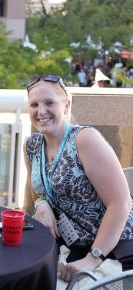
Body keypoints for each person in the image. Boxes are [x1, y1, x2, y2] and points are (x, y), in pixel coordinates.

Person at [24, 74, 133, 282]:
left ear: (67, 105)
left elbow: (121, 203)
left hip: (114, 249)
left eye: (49, 103)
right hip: (71, 246)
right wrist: (41, 205)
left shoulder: (84, 139)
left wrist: (92, 259)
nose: (41, 111)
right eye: (34, 104)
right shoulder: (31, 145)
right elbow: (37, 190)